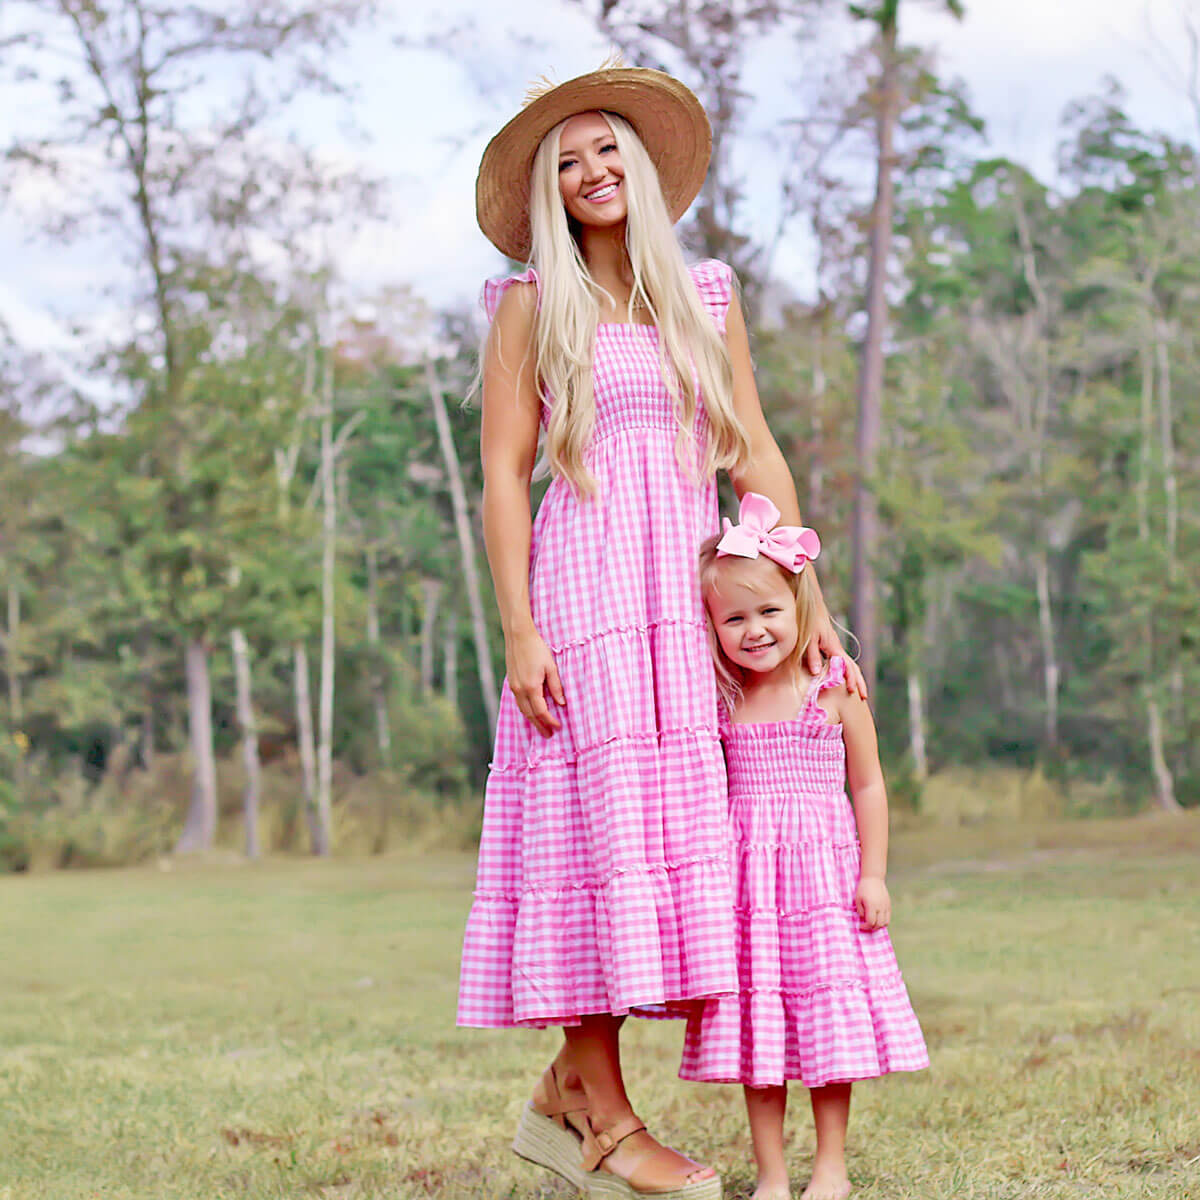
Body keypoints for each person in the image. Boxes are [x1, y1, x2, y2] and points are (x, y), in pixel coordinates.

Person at [456, 64, 865, 1200]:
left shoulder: (710, 298)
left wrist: (807, 598)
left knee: (680, 848)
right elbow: (501, 474)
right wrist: (519, 630)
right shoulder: (533, 304)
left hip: (683, 604)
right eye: (567, 161)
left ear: (641, 167)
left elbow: (757, 455)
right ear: (550, 191)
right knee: (587, 840)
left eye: (606, 150)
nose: (591, 172)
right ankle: (608, 1122)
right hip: (583, 601)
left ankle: (565, 1091)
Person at [680, 492, 929, 1200]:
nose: (754, 630)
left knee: (825, 1026)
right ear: (714, 627)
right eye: (734, 618)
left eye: (769, 612)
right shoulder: (720, 700)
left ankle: (830, 1167)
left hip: (823, 882)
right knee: (758, 1030)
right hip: (748, 888)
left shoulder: (835, 690)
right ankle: (771, 1173)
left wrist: (874, 876)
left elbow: (870, 786)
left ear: (801, 610)